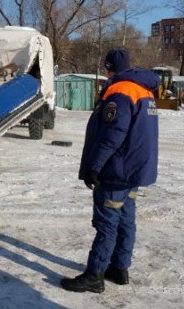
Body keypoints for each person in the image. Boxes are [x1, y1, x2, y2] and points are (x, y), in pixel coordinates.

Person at [62, 49, 160, 293]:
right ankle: (119, 268)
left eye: (106, 68)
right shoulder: (144, 89)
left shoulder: (120, 90)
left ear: (110, 68)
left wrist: (95, 166)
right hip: (135, 170)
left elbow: (113, 134)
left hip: (117, 170)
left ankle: (95, 274)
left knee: (107, 223)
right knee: (126, 219)